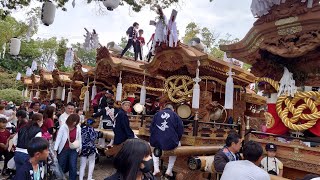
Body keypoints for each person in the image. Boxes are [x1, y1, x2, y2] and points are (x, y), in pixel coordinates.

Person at [150, 103, 183, 178]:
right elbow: (180, 130)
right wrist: (177, 139)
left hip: (157, 141)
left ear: (164, 108)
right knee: (177, 146)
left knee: (153, 147)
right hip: (171, 142)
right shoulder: (176, 116)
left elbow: (151, 128)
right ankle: (169, 170)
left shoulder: (157, 114)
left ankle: (156, 169)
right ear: (173, 110)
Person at [54, 114, 81, 180]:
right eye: (73, 121)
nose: (74, 123)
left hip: (74, 149)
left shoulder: (78, 127)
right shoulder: (63, 127)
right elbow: (59, 138)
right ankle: (60, 178)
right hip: (63, 149)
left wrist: (80, 148)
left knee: (73, 165)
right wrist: (55, 149)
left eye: (76, 121)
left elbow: (79, 138)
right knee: (61, 164)